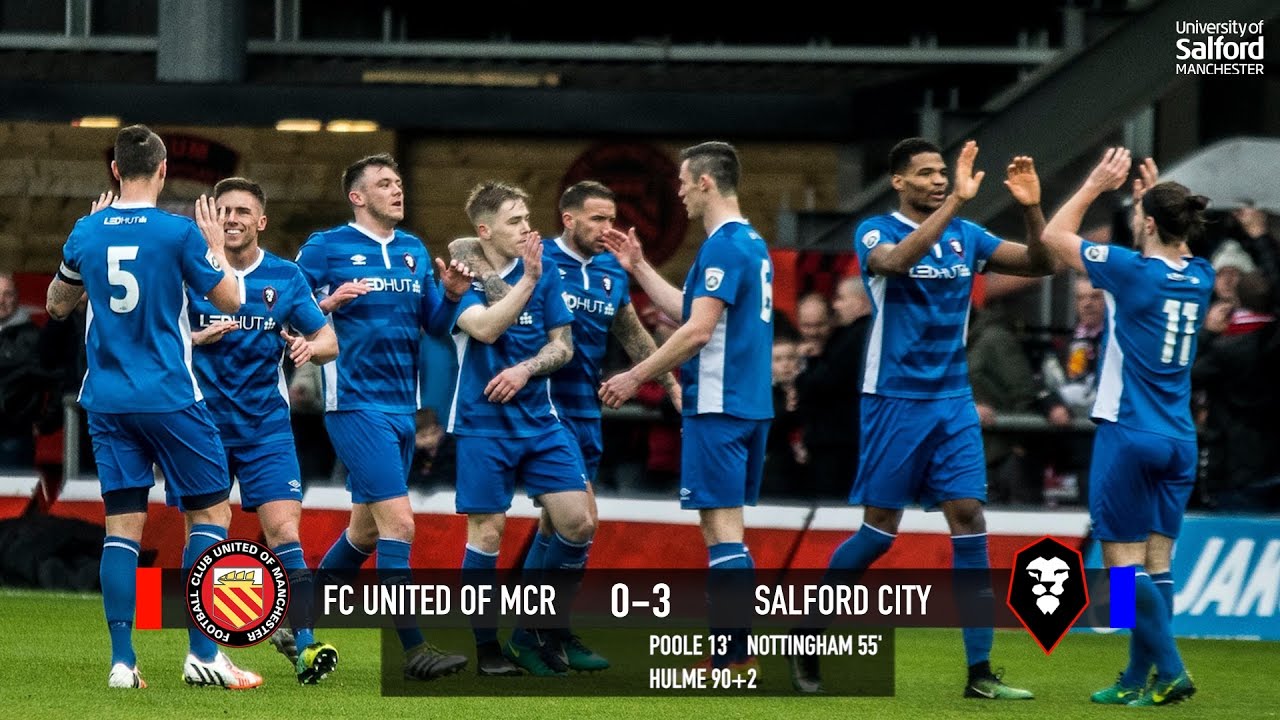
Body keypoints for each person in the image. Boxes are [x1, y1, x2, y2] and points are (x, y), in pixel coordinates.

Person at [792, 138, 1055, 697]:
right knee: (879, 531)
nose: (939, 180)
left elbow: (1043, 262)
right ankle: (807, 632)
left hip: (952, 399)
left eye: (944, 173)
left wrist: (1032, 208)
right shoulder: (876, 231)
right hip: (894, 399)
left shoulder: (968, 237)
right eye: (928, 173)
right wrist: (955, 203)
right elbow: (894, 263)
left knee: (969, 519)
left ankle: (980, 675)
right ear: (899, 181)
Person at [44, 124, 261, 689]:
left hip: (107, 401)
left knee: (122, 526)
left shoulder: (86, 232)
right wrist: (214, 248)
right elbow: (231, 300)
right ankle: (204, 655)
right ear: (163, 170)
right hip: (169, 396)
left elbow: (57, 304)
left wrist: (90, 254)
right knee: (210, 515)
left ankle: (122, 662)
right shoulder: (178, 233)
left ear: (115, 171)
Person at [449, 180, 677, 672]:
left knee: (573, 525)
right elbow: (464, 247)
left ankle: (542, 629)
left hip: (572, 410)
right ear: (569, 219)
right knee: (506, 530)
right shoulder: (509, 261)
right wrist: (508, 278)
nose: (607, 229)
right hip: (509, 412)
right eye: (597, 218)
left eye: (612, 218)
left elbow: (624, 332)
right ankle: (516, 637)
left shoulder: (599, 276)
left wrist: (666, 381)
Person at [1042, 148, 1209, 706]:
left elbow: (1053, 236)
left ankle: (1174, 670)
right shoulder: (1202, 276)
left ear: (1151, 224)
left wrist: (1093, 185)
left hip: (1127, 430)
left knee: (1120, 569)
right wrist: (1151, 206)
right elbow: (1168, 249)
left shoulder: (1130, 272)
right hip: (1179, 438)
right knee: (1157, 563)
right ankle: (1137, 677)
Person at [294, 153, 471, 681]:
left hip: (401, 408)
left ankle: (292, 623)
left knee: (366, 536)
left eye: (398, 182)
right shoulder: (326, 247)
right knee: (401, 525)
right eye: (384, 184)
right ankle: (414, 650)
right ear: (357, 196)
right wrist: (329, 301)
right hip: (352, 403)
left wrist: (453, 298)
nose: (397, 190)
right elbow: (288, 308)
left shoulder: (415, 250)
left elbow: (435, 326)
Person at [600, 141, 774, 671]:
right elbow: (692, 307)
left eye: (681, 182)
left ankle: (732, 656)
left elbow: (697, 331)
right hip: (747, 404)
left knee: (720, 532)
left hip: (719, 405)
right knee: (729, 530)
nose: (677, 191)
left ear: (704, 183)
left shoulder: (723, 246)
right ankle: (736, 648)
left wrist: (635, 374)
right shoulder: (750, 243)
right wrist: (639, 266)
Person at [183, 177, 340, 684]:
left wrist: (309, 349)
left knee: (285, 531)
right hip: (201, 423)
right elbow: (159, 336)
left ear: (261, 221)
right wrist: (197, 337)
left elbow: (328, 339)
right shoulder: (189, 270)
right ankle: (205, 653)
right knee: (206, 536)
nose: (232, 218)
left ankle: (305, 644)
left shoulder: (285, 276)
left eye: (242, 211)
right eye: (223, 209)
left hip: (265, 426)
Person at [447, 181, 595, 677]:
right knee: (487, 534)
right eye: (514, 220)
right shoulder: (458, 276)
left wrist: (526, 369)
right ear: (485, 230)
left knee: (578, 522)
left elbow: (564, 346)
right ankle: (488, 648)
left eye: (528, 217)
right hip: (482, 423)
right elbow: (486, 328)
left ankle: (533, 627)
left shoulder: (545, 272)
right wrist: (528, 281)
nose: (527, 228)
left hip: (540, 420)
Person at [794, 277, 871, 498]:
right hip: (842, 440)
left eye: (841, 299)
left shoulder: (856, 336)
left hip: (839, 444)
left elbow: (824, 383)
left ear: (859, 302)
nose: (836, 305)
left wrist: (804, 374)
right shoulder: (852, 335)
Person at [0, 272, 44, 470]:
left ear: (17, 297)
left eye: (7, 294)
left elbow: (54, 380)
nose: (1, 301)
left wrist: (43, 421)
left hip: (14, 435)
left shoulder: (33, 338)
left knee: (16, 497)